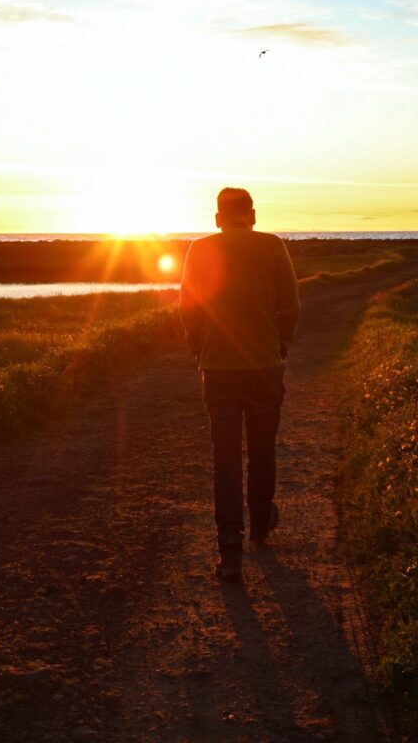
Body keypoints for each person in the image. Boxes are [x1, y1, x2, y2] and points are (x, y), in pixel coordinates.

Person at [179, 187, 300, 581]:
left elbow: (189, 309)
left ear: (218, 218)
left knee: (225, 459)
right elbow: (291, 306)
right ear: (252, 215)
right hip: (265, 365)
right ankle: (262, 523)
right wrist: (280, 346)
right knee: (262, 449)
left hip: (218, 370)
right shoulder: (273, 247)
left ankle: (229, 550)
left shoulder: (199, 250)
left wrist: (200, 350)